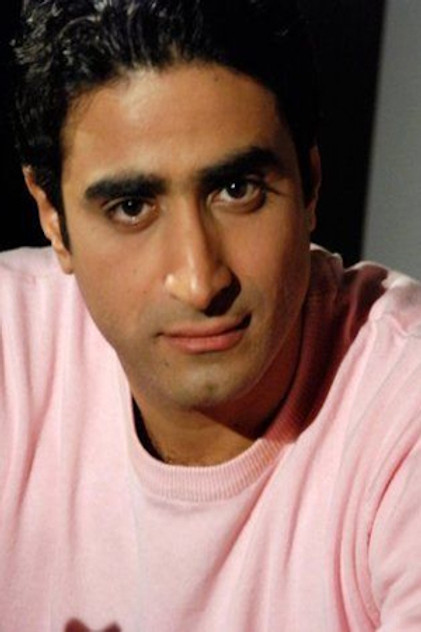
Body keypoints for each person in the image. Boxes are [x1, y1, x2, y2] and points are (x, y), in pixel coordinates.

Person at [1, 0, 421, 630]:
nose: (200, 282)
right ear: (52, 219)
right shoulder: (12, 351)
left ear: (310, 185)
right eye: (132, 207)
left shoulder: (403, 404)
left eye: (236, 190)